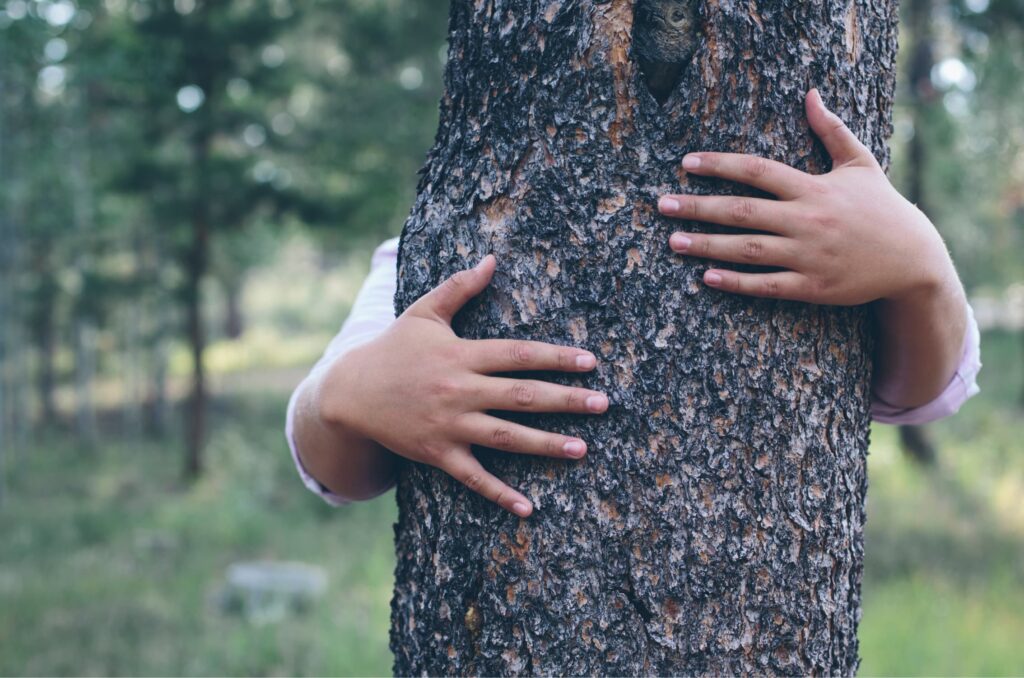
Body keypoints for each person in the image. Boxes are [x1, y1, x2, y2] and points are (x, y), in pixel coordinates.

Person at [286, 89, 982, 519]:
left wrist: (921, 266)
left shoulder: (838, 222)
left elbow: (917, 393)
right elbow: (335, 469)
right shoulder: (435, 249)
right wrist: (347, 391)